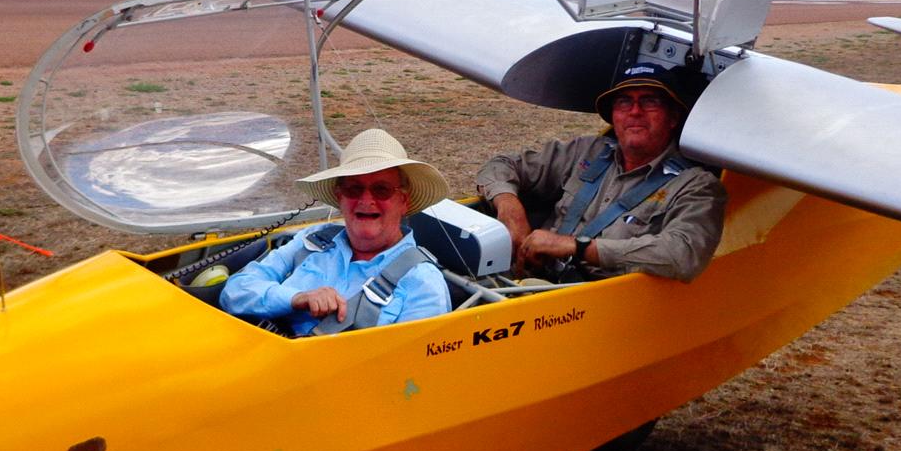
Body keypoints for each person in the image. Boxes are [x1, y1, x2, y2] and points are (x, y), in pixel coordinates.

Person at [474, 62, 726, 283]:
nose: (635, 111)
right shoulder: (588, 151)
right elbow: (501, 165)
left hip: (596, 307)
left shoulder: (696, 186)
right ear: (613, 117)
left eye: (650, 101)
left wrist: (579, 248)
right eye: (624, 102)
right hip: (530, 282)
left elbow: (683, 255)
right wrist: (509, 207)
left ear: (673, 118)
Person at [221, 129, 453, 336]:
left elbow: (411, 371)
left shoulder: (422, 282)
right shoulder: (314, 239)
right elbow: (234, 291)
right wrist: (296, 299)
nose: (366, 200)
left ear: (403, 201)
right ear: (339, 197)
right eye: (354, 189)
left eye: (381, 190)